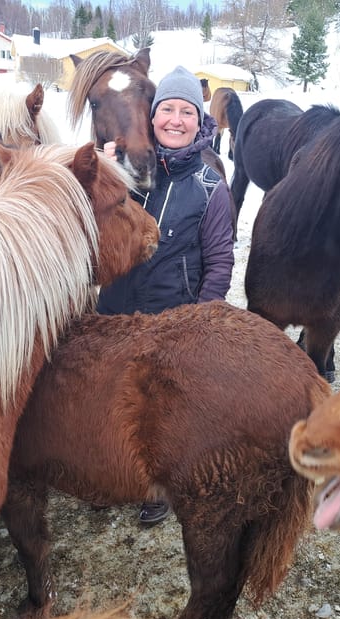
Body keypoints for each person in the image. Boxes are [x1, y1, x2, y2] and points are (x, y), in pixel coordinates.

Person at [98, 65, 235, 526]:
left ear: (200, 121)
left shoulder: (212, 188)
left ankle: (158, 485)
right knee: (115, 395)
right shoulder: (124, 170)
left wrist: (202, 321)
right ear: (152, 116)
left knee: (161, 411)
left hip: (172, 319)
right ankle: (114, 472)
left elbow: (219, 262)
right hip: (115, 308)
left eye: (186, 112)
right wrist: (102, 164)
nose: (175, 120)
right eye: (167, 110)